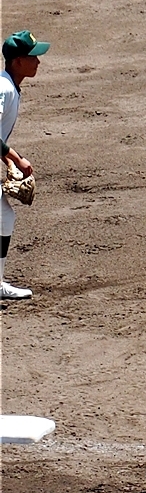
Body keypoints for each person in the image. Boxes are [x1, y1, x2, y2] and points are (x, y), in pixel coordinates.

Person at [1, 30, 50, 300]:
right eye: (33, 57)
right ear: (18, 61)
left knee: (4, 217)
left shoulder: (10, 86)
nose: (38, 62)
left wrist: (9, 160)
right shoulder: (4, 88)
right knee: (3, 217)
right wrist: (16, 158)